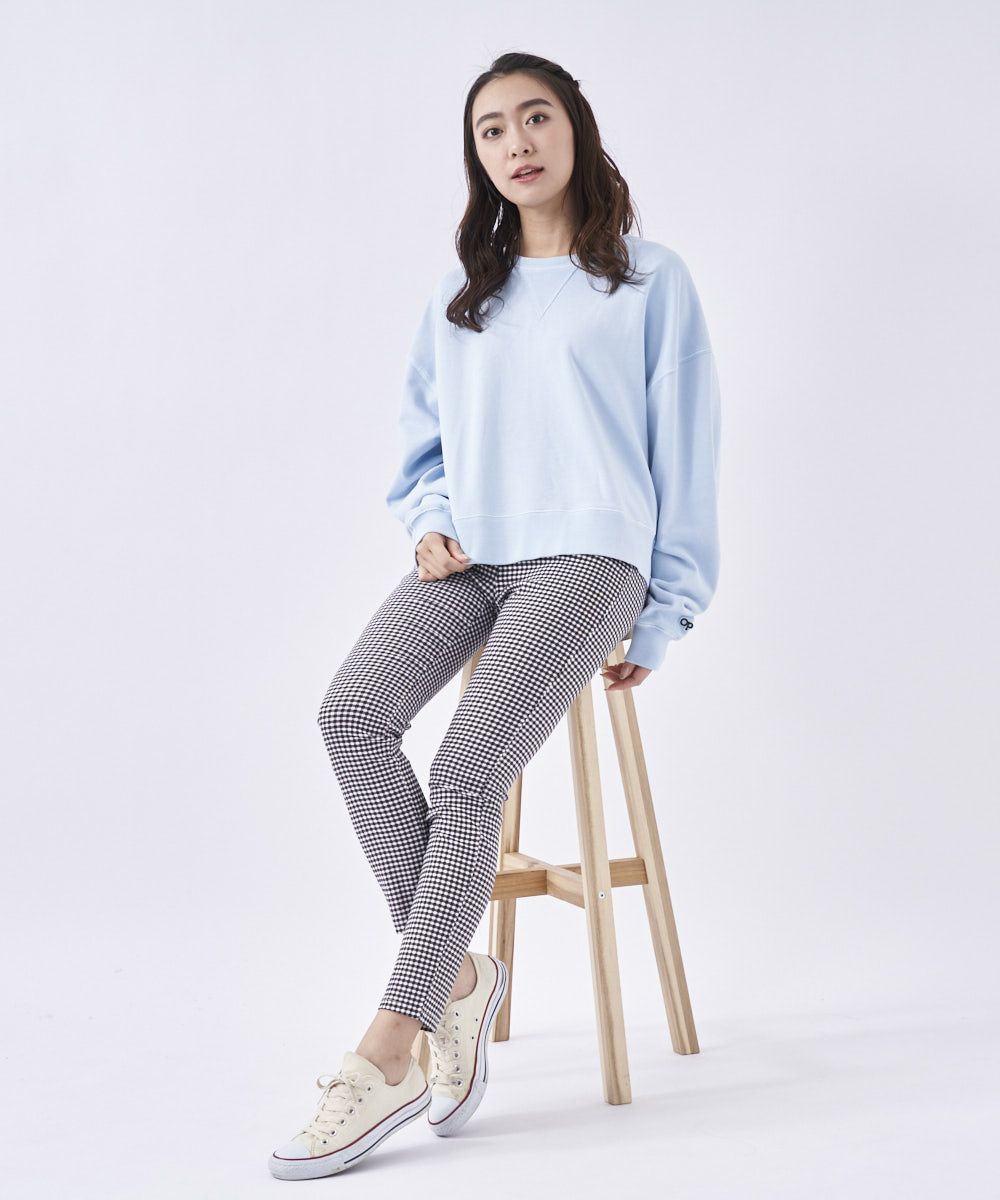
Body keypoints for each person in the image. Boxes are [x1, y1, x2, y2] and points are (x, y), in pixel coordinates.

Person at [269, 49, 722, 1180]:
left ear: (576, 128)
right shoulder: (460, 294)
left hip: (591, 557)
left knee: (469, 768)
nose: (516, 143)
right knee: (350, 713)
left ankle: (391, 1044)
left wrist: (667, 610)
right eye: (491, 130)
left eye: (535, 118)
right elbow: (422, 447)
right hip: (473, 555)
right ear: (476, 158)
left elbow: (688, 454)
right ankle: (458, 978)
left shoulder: (650, 282)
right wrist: (427, 521)